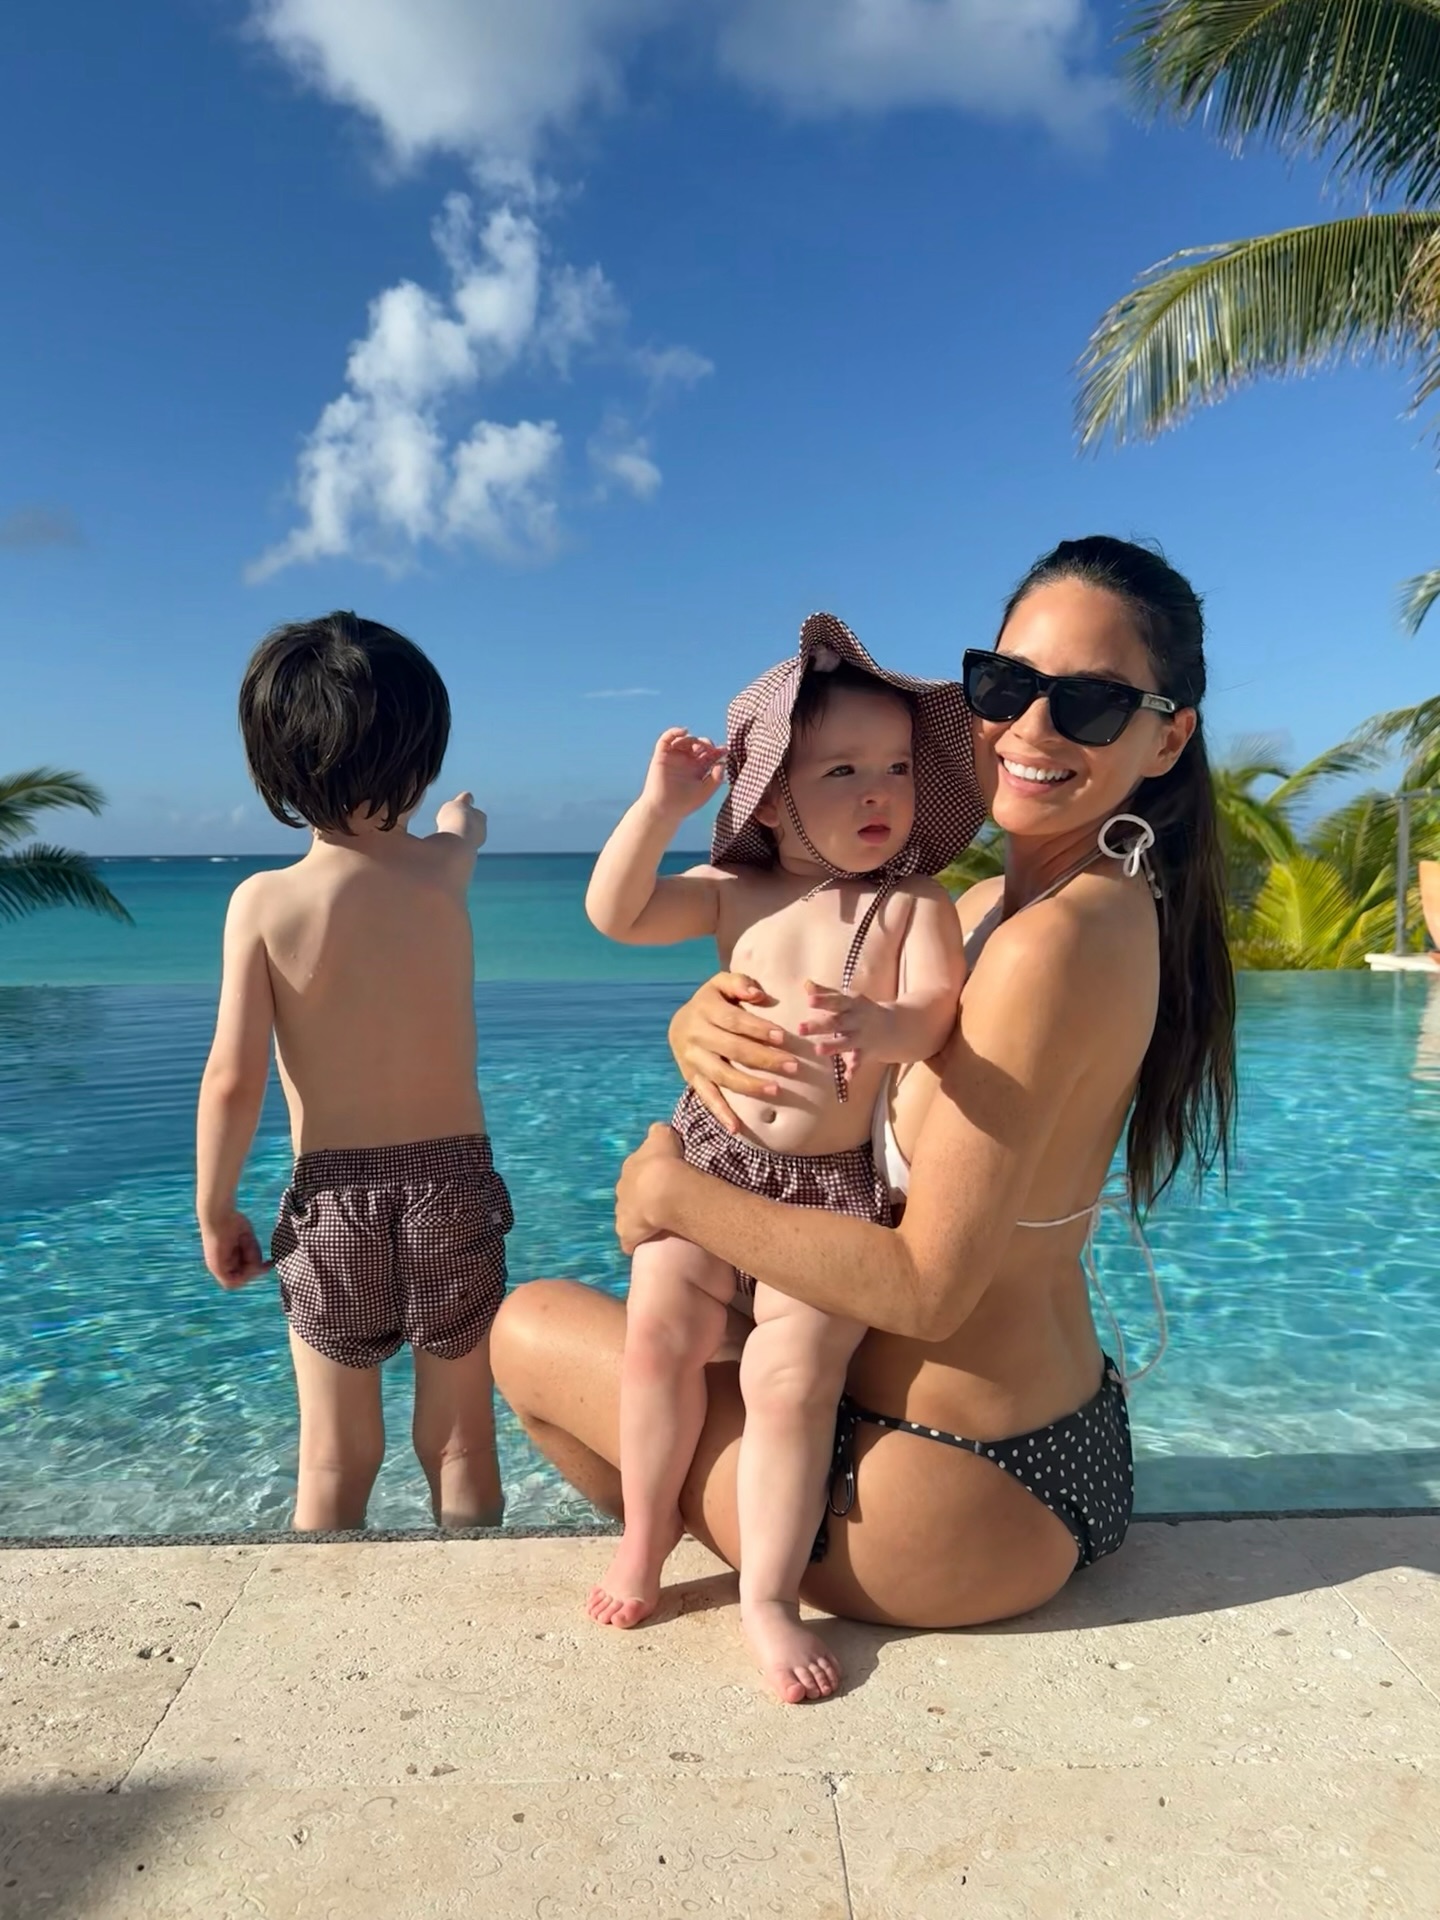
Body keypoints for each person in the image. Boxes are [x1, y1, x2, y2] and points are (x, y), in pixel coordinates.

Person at [492, 536, 1235, 1681]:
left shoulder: (1043, 945)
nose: (1031, 731)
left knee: (529, 1330)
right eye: (1004, 686)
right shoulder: (1009, 903)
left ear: (1167, 735)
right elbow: (857, 1043)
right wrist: (705, 1022)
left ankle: (717, 1563)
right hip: (1052, 1447)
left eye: (1087, 705)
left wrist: (670, 1192)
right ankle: (720, 1521)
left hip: (948, 1490)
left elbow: (929, 1290)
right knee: (693, 1342)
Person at [582, 616, 978, 1701]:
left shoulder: (912, 904)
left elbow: (939, 1009)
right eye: (841, 769)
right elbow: (614, 912)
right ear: (769, 790)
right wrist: (659, 808)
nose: (876, 793)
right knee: (657, 1332)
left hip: (831, 1197)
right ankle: (648, 1534)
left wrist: (888, 1031)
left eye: (895, 768)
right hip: (713, 1166)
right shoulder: (732, 890)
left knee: (790, 1378)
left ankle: (765, 1594)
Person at [196, 612, 512, 1532]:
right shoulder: (441, 872)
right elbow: (462, 838)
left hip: (329, 1198)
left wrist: (217, 1210)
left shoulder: (265, 904)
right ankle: (467, 1607)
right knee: (459, 1439)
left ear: (275, 767)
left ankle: (323, 1629)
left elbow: (232, 1077)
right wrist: (464, 822)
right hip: (453, 1180)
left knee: (335, 1452)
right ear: (420, 755)